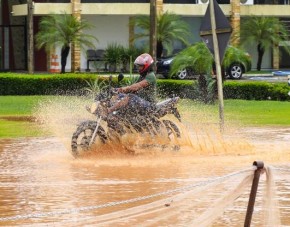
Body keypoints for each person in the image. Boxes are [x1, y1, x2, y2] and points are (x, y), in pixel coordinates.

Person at [103, 53, 157, 118]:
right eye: (138, 66)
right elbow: (130, 90)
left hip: (149, 105)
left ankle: (108, 111)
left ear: (147, 66)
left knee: (130, 97)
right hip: (140, 102)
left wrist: (121, 89)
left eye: (140, 66)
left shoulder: (151, 76)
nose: (138, 68)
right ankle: (104, 107)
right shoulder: (141, 77)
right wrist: (116, 90)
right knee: (120, 96)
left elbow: (136, 87)